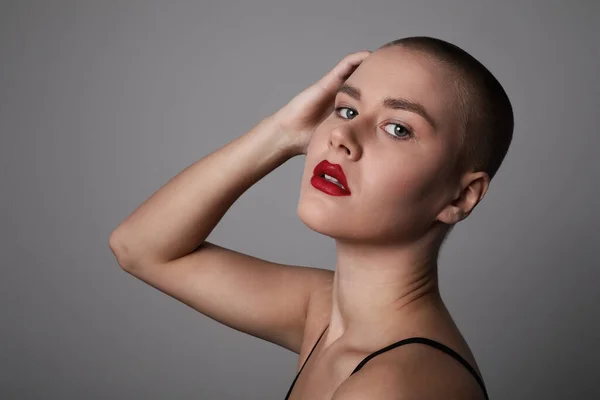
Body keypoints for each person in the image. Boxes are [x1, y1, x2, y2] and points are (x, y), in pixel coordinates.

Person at [109, 36, 513, 399]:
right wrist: (283, 132)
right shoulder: (323, 312)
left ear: (461, 196)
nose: (340, 136)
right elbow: (140, 248)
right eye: (347, 110)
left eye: (397, 128)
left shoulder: (393, 386)